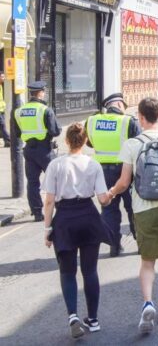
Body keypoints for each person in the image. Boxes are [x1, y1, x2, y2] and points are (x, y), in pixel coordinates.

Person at [108, 97, 158, 334]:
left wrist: (110, 193)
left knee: (147, 261)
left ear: (141, 117)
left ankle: (148, 302)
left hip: (144, 208)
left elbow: (124, 182)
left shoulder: (132, 145)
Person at [42, 123, 112, 338]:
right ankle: (93, 319)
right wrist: (112, 193)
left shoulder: (56, 165)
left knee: (67, 271)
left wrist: (47, 228)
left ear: (66, 141)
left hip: (65, 218)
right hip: (88, 216)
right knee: (90, 271)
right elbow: (102, 199)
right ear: (85, 141)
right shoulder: (93, 164)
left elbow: (49, 201)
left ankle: (73, 315)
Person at [85, 93, 141, 257]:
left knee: (108, 209)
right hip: (126, 170)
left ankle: (114, 246)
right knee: (133, 208)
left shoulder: (92, 121)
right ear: (117, 104)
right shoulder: (128, 121)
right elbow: (138, 143)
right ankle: (141, 244)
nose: (124, 108)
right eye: (123, 104)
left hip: (102, 171)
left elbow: (88, 141)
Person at [12, 81, 62, 221]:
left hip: (29, 150)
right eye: (44, 91)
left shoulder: (18, 111)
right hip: (45, 150)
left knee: (32, 182)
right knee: (56, 179)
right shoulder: (45, 110)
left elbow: (17, 133)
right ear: (40, 92)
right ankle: (61, 209)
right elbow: (55, 131)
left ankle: (37, 213)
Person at [0, 72, 10, 147]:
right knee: (3, 124)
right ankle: (8, 139)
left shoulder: (1, 85)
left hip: (2, 109)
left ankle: (7, 141)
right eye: (2, 77)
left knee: (3, 125)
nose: (4, 78)